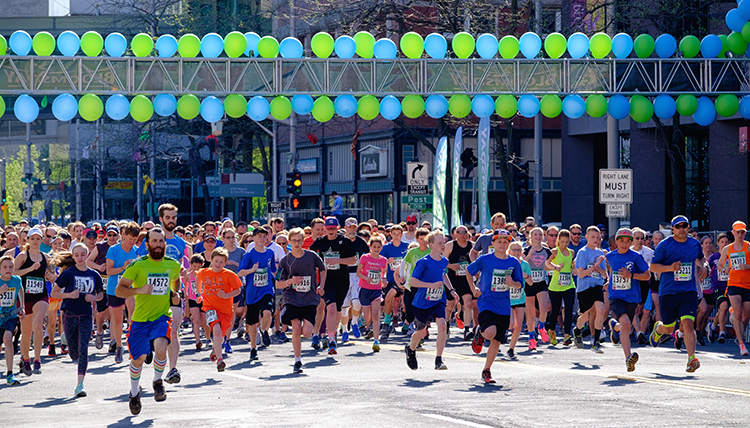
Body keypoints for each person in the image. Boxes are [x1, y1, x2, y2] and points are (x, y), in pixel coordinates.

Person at [116, 228, 182, 415]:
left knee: (161, 347)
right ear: (147, 245)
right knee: (138, 360)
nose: (159, 245)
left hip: (161, 316)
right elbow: (120, 290)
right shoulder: (138, 265)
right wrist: (139, 290)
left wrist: (175, 295)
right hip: (140, 320)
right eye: (154, 241)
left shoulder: (173, 264)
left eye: (161, 241)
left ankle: (157, 381)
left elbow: (175, 281)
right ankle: (134, 393)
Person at [649, 215, 705, 373]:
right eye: (678, 226)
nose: (682, 229)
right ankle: (658, 330)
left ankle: (691, 359)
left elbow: (701, 258)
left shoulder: (694, 243)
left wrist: (704, 266)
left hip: (688, 291)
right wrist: (670, 268)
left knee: (688, 323)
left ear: (688, 227)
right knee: (668, 328)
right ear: (672, 229)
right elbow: (653, 267)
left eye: (685, 226)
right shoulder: (664, 245)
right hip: (668, 292)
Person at [467, 229, 524, 383]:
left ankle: (487, 370)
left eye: (505, 242)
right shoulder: (485, 259)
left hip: (504, 305)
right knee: (491, 332)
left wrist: (513, 283)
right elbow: (468, 271)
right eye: (499, 241)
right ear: (493, 243)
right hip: (486, 301)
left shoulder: (513, 262)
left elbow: (520, 284)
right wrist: (473, 289)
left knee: (497, 340)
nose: (502, 244)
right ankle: (481, 332)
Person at [50, 245, 104, 397]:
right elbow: (55, 292)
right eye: (77, 255)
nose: (80, 257)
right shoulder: (69, 273)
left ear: (87, 255)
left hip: (86, 314)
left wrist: (94, 298)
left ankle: (80, 385)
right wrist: (69, 295)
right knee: (74, 354)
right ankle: (65, 337)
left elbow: (100, 294)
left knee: (84, 349)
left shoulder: (94, 275)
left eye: (82, 254)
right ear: (73, 257)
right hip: (69, 313)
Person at [404, 230, 457, 371]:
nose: (443, 245)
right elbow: (413, 282)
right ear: (431, 245)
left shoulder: (444, 261)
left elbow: (443, 275)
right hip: (422, 302)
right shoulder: (423, 262)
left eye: (444, 242)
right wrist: (430, 285)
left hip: (438, 299)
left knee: (442, 325)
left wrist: (451, 290)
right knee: (421, 332)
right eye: (440, 243)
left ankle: (439, 359)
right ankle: (410, 348)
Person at [276, 228, 327, 374]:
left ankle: (307, 331)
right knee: (296, 326)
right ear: (289, 242)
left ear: (303, 241)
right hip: (292, 298)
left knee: (307, 332)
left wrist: (321, 285)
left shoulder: (312, 256)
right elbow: (277, 283)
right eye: (294, 240)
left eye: (299, 240)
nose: (297, 243)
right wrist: (290, 281)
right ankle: (297, 361)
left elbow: (323, 269)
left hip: (309, 298)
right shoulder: (285, 261)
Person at [605, 228, 650, 371]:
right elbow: (612, 270)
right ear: (616, 242)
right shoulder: (610, 256)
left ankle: (614, 326)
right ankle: (628, 358)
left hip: (631, 296)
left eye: (627, 241)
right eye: (621, 241)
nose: (624, 244)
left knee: (625, 326)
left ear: (631, 242)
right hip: (616, 295)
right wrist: (609, 280)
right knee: (626, 324)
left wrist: (631, 276)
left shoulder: (636, 257)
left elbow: (647, 275)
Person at [309, 217, 355, 355]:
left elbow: (353, 260)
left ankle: (332, 332)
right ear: (325, 229)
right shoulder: (320, 242)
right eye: (328, 228)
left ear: (337, 227)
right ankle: (331, 339)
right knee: (331, 308)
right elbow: (309, 255)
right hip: (326, 280)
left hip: (342, 281)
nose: (331, 231)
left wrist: (338, 260)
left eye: (333, 228)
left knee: (337, 310)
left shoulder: (345, 241)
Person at [13, 228, 53, 376]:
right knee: (26, 331)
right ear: (28, 240)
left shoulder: (46, 257)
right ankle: (25, 358)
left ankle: (37, 359)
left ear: (42, 240)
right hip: (24, 297)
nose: (36, 241)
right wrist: (29, 269)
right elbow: (13, 272)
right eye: (33, 239)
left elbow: (50, 274)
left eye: (38, 239)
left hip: (41, 296)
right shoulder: (23, 256)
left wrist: (50, 275)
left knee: (38, 325)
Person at [196, 248, 242, 371]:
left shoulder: (229, 275)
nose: (218, 264)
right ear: (211, 260)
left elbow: (238, 290)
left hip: (226, 310)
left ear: (225, 263)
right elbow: (198, 278)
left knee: (220, 335)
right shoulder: (204, 272)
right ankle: (220, 360)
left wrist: (226, 295)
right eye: (216, 261)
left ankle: (215, 350)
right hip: (210, 307)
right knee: (216, 331)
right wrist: (199, 294)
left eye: (221, 262)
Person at [238, 228, 276, 361]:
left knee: (267, 313)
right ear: (253, 238)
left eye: (264, 236)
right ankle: (253, 348)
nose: (262, 239)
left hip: (266, 289)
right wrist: (252, 270)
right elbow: (240, 272)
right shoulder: (249, 255)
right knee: (253, 323)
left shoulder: (270, 253)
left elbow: (273, 270)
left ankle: (265, 330)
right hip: (252, 293)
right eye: (259, 236)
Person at [103, 222, 140, 364]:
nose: (132, 242)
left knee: (133, 317)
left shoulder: (137, 252)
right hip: (115, 288)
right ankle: (119, 346)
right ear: (123, 235)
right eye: (129, 238)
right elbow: (109, 271)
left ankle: (132, 345)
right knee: (117, 320)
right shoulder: (113, 250)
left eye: (134, 239)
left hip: (131, 289)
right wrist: (123, 267)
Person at [716, 221, 750, 356]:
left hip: (747, 285)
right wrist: (725, 269)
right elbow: (719, 265)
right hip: (733, 284)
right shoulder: (727, 249)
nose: (740, 234)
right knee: (738, 312)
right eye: (738, 232)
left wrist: (747, 266)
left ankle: (737, 330)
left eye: (743, 232)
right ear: (733, 232)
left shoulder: (748, 247)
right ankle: (741, 344)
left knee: (746, 315)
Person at [573, 226, 608, 351]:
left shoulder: (600, 253)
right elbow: (581, 274)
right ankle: (577, 330)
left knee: (601, 309)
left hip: (596, 285)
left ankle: (596, 341)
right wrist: (594, 267)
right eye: (593, 237)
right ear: (587, 237)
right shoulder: (582, 252)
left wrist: (599, 269)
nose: (596, 239)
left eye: (598, 237)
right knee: (585, 316)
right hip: (584, 287)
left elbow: (604, 275)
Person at [443, 225, 476, 340]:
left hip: (467, 280)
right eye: (459, 232)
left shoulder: (472, 246)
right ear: (455, 234)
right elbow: (442, 262)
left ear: (468, 234)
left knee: (467, 303)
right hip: (452, 280)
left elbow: (476, 262)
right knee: (450, 306)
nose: (462, 234)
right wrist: (451, 266)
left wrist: (475, 271)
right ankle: (446, 324)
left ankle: (467, 330)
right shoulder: (450, 245)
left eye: (464, 232)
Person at [545, 229, 576, 347]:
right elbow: (547, 263)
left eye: (567, 242)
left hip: (569, 284)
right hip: (556, 286)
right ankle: (551, 330)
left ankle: (567, 335)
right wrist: (555, 267)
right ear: (558, 240)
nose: (564, 244)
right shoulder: (554, 251)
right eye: (562, 242)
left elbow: (571, 264)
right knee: (555, 310)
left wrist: (573, 266)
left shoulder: (571, 252)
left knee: (568, 310)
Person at [356, 236, 387, 351]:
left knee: (375, 315)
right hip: (364, 289)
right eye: (374, 247)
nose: (376, 249)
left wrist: (384, 279)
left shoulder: (383, 260)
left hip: (376, 290)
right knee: (367, 317)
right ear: (370, 247)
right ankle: (364, 323)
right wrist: (366, 277)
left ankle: (376, 341)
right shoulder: (364, 258)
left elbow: (384, 274)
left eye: (378, 247)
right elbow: (358, 273)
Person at [522, 227, 552, 350]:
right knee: (530, 313)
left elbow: (547, 264)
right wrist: (529, 254)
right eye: (535, 234)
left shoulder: (546, 251)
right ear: (531, 236)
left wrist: (555, 267)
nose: (538, 237)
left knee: (544, 307)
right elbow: (522, 263)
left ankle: (541, 327)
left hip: (541, 282)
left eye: (540, 234)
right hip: (529, 283)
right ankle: (531, 338)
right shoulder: (526, 250)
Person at [341, 217, 369, 342]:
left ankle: (355, 322)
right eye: (350, 227)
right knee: (344, 307)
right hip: (343, 276)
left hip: (357, 275)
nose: (352, 229)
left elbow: (369, 255)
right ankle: (345, 331)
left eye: (354, 227)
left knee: (357, 302)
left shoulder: (360, 242)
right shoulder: (341, 241)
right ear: (345, 228)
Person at [380, 224, 409, 339]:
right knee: (388, 298)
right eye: (394, 234)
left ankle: (405, 317)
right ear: (390, 235)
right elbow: (379, 262)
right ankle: (387, 322)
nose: (396, 236)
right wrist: (387, 261)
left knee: (405, 303)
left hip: (404, 279)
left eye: (398, 234)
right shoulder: (386, 248)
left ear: (402, 235)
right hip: (392, 279)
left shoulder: (406, 247)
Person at [400, 228, 431, 336]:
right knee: (410, 311)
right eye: (421, 239)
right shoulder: (412, 252)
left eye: (425, 239)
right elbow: (403, 264)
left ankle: (422, 331)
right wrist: (401, 276)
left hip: (425, 285)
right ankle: (407, 322)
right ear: (417, 239)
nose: (423, 241)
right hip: (411, 285)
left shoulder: (431, 252)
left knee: (422, 309)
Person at [0, 255, 24, 385]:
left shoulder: (16, 280)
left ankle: (10, 373)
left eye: (10, 267)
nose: (8, 269)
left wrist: (22, 306)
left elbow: (21, 289)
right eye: (5, 267)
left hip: (11, 316)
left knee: (8, 338)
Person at [507, 241, 533, 360]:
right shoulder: (506, 263)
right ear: (509, 251)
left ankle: (511, 349)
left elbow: (531, 283)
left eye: (518, 250)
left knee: (518, 325)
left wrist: (526, 276)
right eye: (514, 250)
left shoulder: (525, 265)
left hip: (520, 298)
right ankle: (498, 334)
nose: (517, 252)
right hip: (507, 298)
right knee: (511, 323)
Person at [631, 227, 656, 345]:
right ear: (632, 239)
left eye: (642, 238)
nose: (640, 240)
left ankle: (641, 333)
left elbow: (655, 266)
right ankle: (638, 332)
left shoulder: (649, 252)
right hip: (632, 283)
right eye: (637, 238)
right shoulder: (628, 251)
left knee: (646, 311)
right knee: (634, 310)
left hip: (646, 283)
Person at [183, 254, 209, 350]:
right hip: (192, 299)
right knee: (196, 320)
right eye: (194, 266)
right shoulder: (189, 275)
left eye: (199, 267)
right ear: (191, 265)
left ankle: (208, 338)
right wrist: (186, 292)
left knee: (204, 322)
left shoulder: (204, 275)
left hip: (203, 299)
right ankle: (197, 340)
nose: (196, 269)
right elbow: (186, 284)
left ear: (202, 266)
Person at [709, 233, 730, 343]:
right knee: (724, 306)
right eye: (722, 242)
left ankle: (712, 327)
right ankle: (722, 333)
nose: (724, 244)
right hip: (718, 286)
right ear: (718, 243)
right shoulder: (714, 257)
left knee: (723, 309)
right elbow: (708, 269)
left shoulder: (732, 256)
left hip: (730, 286)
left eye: (726, 242)